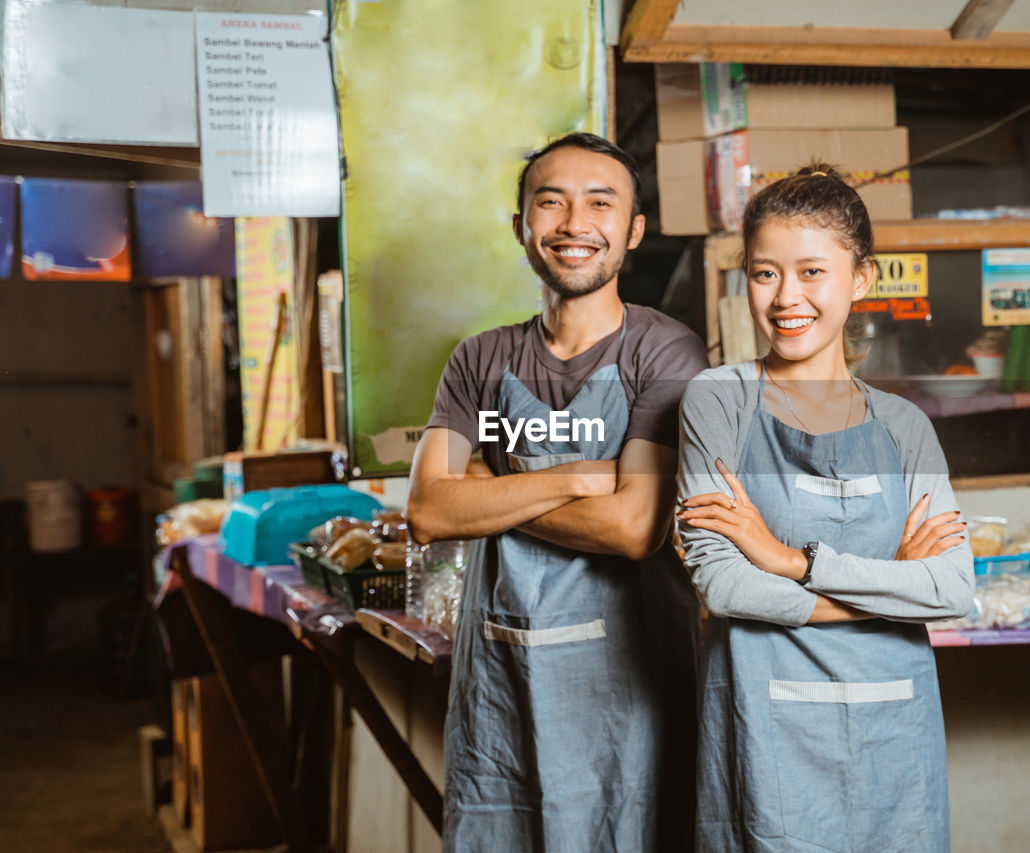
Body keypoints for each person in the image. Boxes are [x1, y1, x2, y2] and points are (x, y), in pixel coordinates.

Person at [407, 132, 708, 852]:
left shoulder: (661, 353)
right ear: (521, 227)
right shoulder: (482, 362)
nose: (575, 224)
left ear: (632, 230)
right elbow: (428, 510)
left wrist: (495, 484)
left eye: (599, 204)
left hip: (625, 686)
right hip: (498, 678)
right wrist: (575, 476)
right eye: (552, 202)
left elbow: (635, 525)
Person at [675, 164, 975, 852]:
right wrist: (894, 584)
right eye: (764, 273)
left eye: (812, 271)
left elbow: (954, 588)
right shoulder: (719, 401)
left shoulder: (904, 426)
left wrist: (792, 560)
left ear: (860, 278)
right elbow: (723, 583)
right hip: (767, 735)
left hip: (895, 741)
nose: (786, 298)